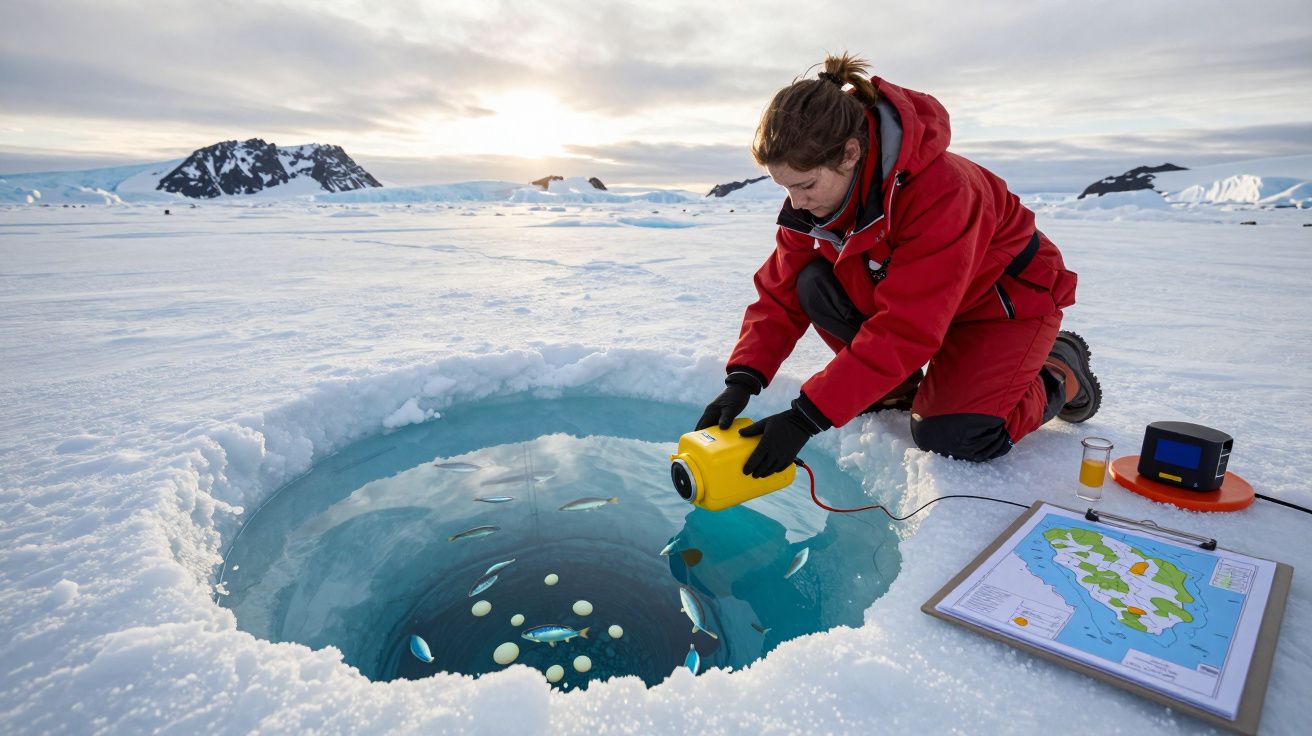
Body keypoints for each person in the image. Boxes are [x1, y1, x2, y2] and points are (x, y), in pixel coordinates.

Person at [696, 53, 1102, 478]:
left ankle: (1059, 370)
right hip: (920, 303)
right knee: (810, 281)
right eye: (785, 187)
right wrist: (742, 380)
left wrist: (805, 418)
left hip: (999, 305)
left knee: (954, 437)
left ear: (850, 153)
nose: (796, 202)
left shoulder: (943, 192)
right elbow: (778, 294)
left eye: (806, 184)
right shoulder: (815, 205)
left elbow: (907, 328)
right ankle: (895, 388)